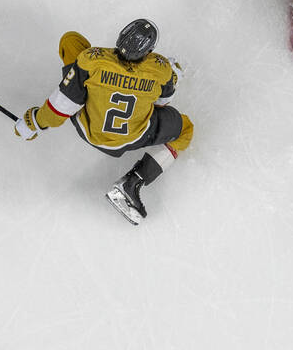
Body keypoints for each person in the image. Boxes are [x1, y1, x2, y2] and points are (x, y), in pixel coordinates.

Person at [14, 19, 193, 225]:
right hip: (129, 139)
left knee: (71, 41)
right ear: (149, 50)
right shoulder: (160, 70)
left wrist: (34, 122)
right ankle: (133, 182)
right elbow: (163, 103)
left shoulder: (92, 60)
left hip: (87, 127)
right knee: (185, 128)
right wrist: (171, 77)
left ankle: (76, 85)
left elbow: (58, 110)